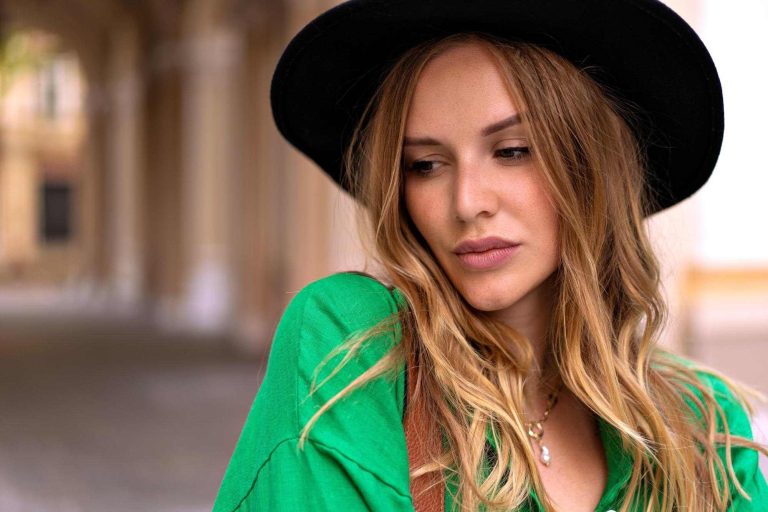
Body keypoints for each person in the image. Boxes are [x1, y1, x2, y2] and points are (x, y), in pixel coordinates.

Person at [212, 1, 768, 511]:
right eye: (425, 165)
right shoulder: (356, 347)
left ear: (595, 167)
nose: (467, 202)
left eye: (512, 151)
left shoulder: (704, 427)